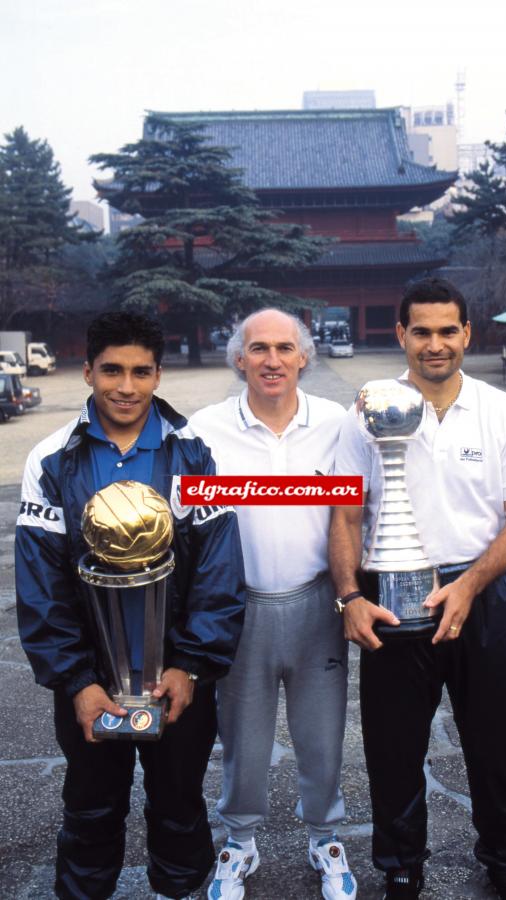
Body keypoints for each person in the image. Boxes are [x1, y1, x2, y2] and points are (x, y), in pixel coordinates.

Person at [15, 312, 246, 900]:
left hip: (176, 679)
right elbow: (41, 586)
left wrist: (191, 665)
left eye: (141, 372)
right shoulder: (51, 460)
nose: (126, 386)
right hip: (93, 684)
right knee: (90, 813)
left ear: (158, 375)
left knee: (179, 810)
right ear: (88, 371)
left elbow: (219, 571)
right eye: (112, 370)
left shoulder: (196, 453)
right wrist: (76, 682)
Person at [329, 278, 506, 900]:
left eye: (449, 330)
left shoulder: (498, 408)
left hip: (482, 588)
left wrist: (472, 583)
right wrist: (348, 596)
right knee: (394, 746)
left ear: (467, 334)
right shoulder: (368, 408)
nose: (436, 344)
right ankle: (400, 867)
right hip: (391, 596)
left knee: (499, 739)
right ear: (401, 335)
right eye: (421, 331)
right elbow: (343, 513)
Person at [190, 309, 357, 900]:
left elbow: (358, 506)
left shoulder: (338, 422)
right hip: (242, 609)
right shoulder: (205, 429)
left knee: (322, 734)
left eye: (285, 348)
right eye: (258, 348)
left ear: (303, 356)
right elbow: (185, 519)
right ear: (239, 358)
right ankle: (239, 841)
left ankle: (326, 838)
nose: (272, 360)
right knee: (244, 739)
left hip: (316, 604)